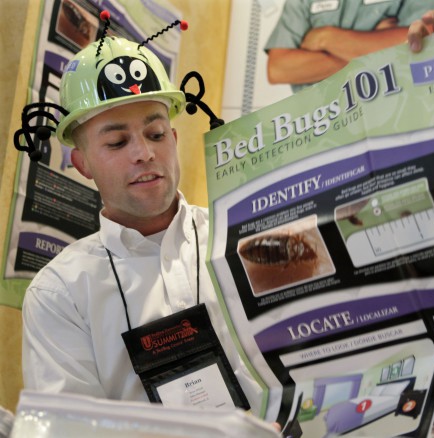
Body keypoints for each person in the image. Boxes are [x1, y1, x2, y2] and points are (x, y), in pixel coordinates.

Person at [18, 29, 274, 424]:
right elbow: (70, 431)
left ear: (173, 138)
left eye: (155, 134)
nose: (144, 153)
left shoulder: (243, 237)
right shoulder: (61, 295)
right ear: (82, 163)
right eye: (118, 143)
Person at [265, 0, 434, 92]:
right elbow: (278, 68)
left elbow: (424, 40)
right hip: (324, 129)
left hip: (395, 117)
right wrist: (376, 44)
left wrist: (326, 38)